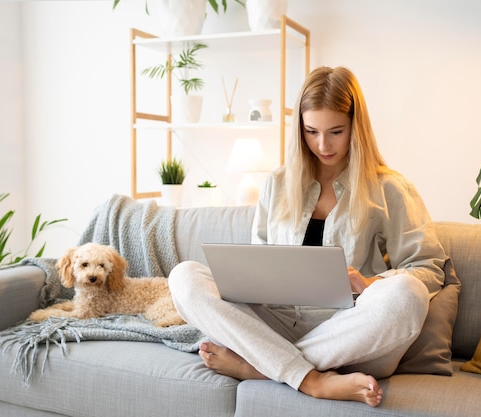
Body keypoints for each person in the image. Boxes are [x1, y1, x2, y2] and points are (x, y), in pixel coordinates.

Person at [168, 66, 446, 407]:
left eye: (336, 131)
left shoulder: (390, 188)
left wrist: (370, 283)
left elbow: (429, 268)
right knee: (185, 276)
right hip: (278, 322)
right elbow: (257, 261)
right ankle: (312, 380)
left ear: (356, 127)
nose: (322, 145)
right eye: (311, 131)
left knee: (408, 293)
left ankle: (262, 367)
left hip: (351, 334)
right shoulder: (278, 183)